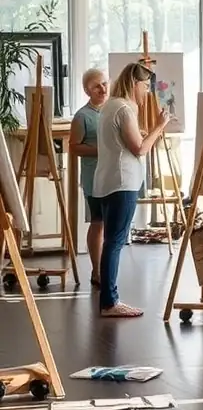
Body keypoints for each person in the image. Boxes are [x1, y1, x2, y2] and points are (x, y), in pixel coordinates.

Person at [94, 62, 171, 317]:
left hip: (108, 180)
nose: (147, 91)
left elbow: (122, 141)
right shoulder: (125, 108)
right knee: (115, 242)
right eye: (145, 85)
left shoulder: (110, 106)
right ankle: (110, 302)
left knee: (111, 241)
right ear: (134, 83)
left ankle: (108, 300)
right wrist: (160, 126)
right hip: (122, 182)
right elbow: (139, 148)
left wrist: (145, 132)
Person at [69, 68, 108, 288]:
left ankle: (106, 269)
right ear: (87, 91)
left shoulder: (113, 110)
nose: (102, 89)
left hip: (114, 176)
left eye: (104, 84)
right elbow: (74, 147)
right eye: (96, 86)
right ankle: (97, 270)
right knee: (98, 222)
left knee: (110, 225)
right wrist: (102, 150)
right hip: (94, 178)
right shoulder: (82, 116)